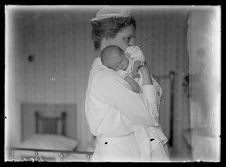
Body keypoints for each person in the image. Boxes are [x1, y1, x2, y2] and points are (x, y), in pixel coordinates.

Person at [85, 6, 169, 161]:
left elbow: (157, 91)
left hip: (132, 147)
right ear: (108, 40)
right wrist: (144, 71)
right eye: (127, 38)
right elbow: (151, 116)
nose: (133, 44)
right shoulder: (106, 78)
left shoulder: (121, 69)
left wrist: (144, 75)